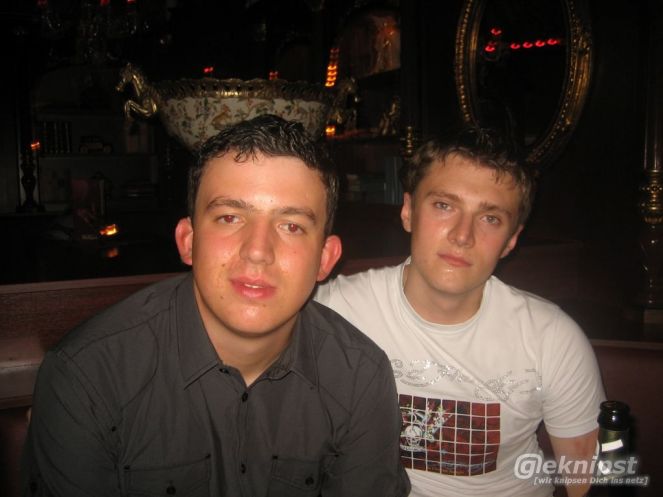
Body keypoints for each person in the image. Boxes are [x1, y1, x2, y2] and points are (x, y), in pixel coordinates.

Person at [23, 114, 410, 497]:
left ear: (325, 259)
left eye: (291, 226)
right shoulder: (88, 376)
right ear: (188, 241)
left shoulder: (360, 377)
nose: (257, 251)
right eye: (229, 217)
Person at [315, 127, 605, 497]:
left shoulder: (552, 338)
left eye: (490, 218)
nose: (462, 235)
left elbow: (587, 481)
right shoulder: (334, 309)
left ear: (511, 240)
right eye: (444, 206)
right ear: (408, 211)